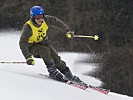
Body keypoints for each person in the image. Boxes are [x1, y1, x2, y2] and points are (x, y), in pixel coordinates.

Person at [19, 6, 87, 87]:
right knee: (44, 50)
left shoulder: (46, 20)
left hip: (45, 42)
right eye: (37, 17)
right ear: (32, 17)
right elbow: (22, 43)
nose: (40, 19)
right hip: (32, 47)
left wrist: (67, 30)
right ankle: (52, 71)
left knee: (56, 58)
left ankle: (68, 74)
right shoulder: (28, 27)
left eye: (41, 17)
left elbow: (57, 22)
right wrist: (28, 57)